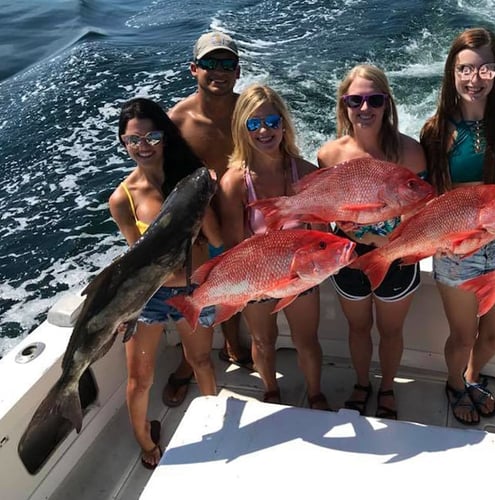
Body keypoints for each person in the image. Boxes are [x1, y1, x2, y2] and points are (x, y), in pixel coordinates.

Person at [419, 28, 495, 426]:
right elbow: (436, 198)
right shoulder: (435, 130)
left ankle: (473, 376)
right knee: (463, 336)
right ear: (452, 73)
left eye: (486, 69)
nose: (475, 79)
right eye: (465, 69)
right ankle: (455, 384)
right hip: (458, 249)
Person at [108, 97, 221, 469]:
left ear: (166, 136)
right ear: (124, 144)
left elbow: (216, 239)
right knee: (140, 378)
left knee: (201, 360)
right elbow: (134, 260)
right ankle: (145, 441)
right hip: (150, 297)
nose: (143, 146)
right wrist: (124, 309)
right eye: (133, 140)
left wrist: (205, 204)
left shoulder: (193, 178)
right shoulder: (122, 199)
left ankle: (216, 431)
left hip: (194, 290)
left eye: (152, 136)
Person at [317, 64, 427, 420]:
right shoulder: (328, 155)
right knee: (358, 326)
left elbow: (420, 207)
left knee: (391, 329)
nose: (365, 109)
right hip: (347, 255)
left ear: (387, 104)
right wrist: (351, 230)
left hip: (396, 254)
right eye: (355, 101)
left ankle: (388, 387)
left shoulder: (410, 153)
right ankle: (362, 383)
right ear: (343, 105)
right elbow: (327, 207)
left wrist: (387, 241)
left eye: (374, 100)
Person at [216, 84, 331, 410]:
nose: (264, 130)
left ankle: (315, 394)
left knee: (306, 340)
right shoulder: (235, 182)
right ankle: (270, 391)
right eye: (254, 124)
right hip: (257, 278)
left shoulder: (306, 172)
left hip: (301, 276)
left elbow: (322, 231)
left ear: (284, 124)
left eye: (272, 121)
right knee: (262, 340)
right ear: (242, 129)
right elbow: (234, 243)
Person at [163, 30, 253, 409]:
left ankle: (234, 344)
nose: (218, 71)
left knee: (234, 291)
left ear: (237, 70)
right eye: (209, 64)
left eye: (226, 64)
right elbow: (161, 179)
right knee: (198, 297)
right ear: (193, 69)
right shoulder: (176, 120)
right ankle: (188, 364)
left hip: (242, 216)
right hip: (198, 230)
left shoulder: (249, 111)